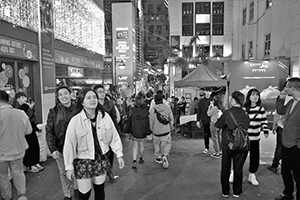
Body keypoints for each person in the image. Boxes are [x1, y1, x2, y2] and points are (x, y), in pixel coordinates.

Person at [63, 88, 124, 200]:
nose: (93, 100)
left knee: (100, 190)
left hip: (101, 159)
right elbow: (69, 145)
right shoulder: (75, 120)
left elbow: (114, 136)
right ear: (82, 102)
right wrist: (69, 167)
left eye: (94, 97)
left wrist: (119, 154)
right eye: (89, 97)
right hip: (83, 161)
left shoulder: (105, 117)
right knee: (84, 194)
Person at [215, 91, 250, 198]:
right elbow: (247, 127)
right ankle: (236, 191)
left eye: (230, 98)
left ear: (234, 100)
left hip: (228, 144)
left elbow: (218, 125)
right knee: (238, 169)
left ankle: (225, 191)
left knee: (226, 168)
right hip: (242, 145)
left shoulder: (227, 113)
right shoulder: (245, 114)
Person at [0, 90, 32, 200]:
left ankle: (7, 197)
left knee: (3, 176)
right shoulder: (21, 114)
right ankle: (22, 195)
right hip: (18, 149)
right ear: (8, 99)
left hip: (2, 153)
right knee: (18, 173)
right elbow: (29, 131)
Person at [46, 85, 76, 200]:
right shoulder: (53, 112)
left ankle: (77, 191)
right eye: (60, 95)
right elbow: (49, 131)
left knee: (76, 171)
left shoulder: (78, 109)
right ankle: (67, 194)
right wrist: (52, 149)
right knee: (63, 172)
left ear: (70, 94)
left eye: (65, 93)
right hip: (60, 147)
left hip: (76, 147)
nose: (63, 96)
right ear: (58, 97)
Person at [275, 77, 300, 200]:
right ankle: (287, 193)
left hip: (296, 146)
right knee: (285, 171)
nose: (285, 89)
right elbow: (280, 110)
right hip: (286, 143)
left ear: (293, 88)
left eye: (287, 87)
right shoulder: (291, 102)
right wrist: (281, 98)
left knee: (298, 175)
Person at [243, 88, 269, 186]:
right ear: (249, 97)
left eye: (257, 95)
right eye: (253, 95)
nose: (255, 97)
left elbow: (264, 122)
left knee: (254, 158)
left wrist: (265, 130)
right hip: (244, 139)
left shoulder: (261, 109)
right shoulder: (244, 109)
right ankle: (234, 172)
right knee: (240, 157)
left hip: (255, 139)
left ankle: (252, 174)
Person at [13, 92, 43, 173]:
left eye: (25, 97)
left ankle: (36, 162)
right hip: (24, 131)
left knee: (35, 145)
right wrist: (30, 109)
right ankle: (30, 165)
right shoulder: (17, 109)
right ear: (18, 99)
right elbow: (26, 119)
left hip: (31, 129)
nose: (25, 99)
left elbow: (33, 119)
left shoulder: (27, 107)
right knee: (29, 147)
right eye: (22, 98)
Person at [94, 84, 118, 181]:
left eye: (103, 91)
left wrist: (115, 131)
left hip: (108, 133)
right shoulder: (93, 104)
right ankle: (101, 171)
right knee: (99, 153)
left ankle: (109, 170)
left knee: (110, 153)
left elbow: (114, 118)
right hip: (96, 133)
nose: (102, 94)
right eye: (99, 92)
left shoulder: (110, 104)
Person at [125, 93, 151, 169]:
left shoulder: (132, 110)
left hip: (134, 131)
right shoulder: (146, 111)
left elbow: (129, 121)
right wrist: (148, 131)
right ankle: (141, 158)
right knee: (142, 145)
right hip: (142, 131)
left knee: (135, 146)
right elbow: (147, 122)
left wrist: (128, 129)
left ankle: (134, 161)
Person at [149, 93, 174, 169]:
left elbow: (151, 122)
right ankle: (165, 155)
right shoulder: (167, 108)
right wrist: (171, 126)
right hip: (166, 131)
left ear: (155, 101)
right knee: (166, 144)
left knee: (157, 145)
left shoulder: (152, 110)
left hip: (156, 132)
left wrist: (152, 130)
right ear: (162, 100)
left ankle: (159, 156)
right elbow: (171, 119)